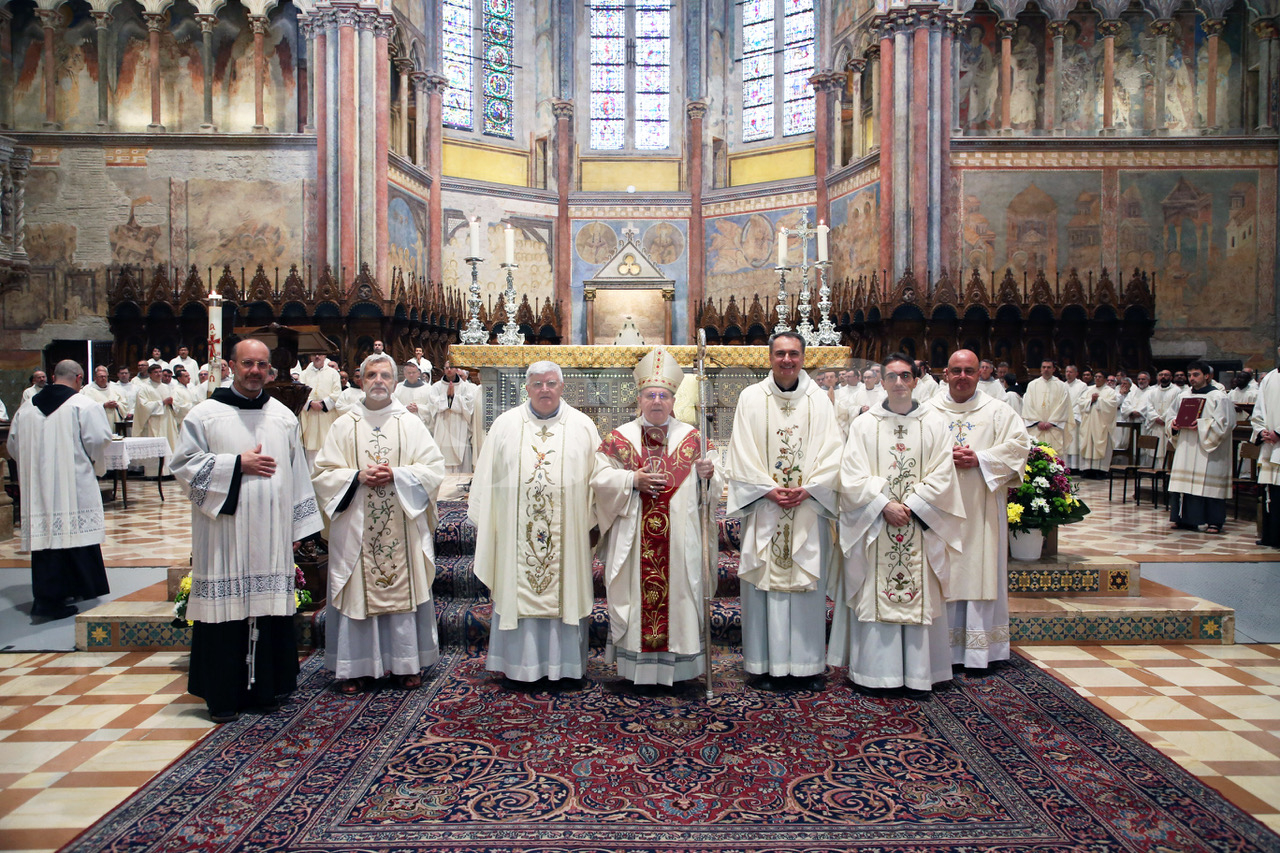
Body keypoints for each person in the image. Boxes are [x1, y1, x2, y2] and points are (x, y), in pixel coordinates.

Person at [170, 339, 324, 723]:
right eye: (247, 363)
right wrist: (236, 464)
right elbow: (184, 466)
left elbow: (298, 473)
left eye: (261, 365)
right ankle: (223, 695)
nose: (254, 371)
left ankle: (266, 690)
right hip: (224, 532)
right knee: (225, 613)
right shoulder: (205, 414)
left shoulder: (283, 417)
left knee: (268, 610)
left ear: (270, 370)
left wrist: (299, 527)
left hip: (271, 532)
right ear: (231, 366)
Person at [313, 353, 446, 693]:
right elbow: (323, 474)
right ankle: (355, 666)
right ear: (360, 380)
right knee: (357, 591)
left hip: (401, 524)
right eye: (372, 375)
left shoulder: (409, 424)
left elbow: (433, 469)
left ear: (395, 382)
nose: (378, 381)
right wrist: (356, 476)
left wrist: (397, 475)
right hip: (356, 526)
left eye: (385, 375)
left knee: (402, 587)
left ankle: (405, 663)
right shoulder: (344, 424)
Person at [832, 352, 963, 692]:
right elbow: (851, 475)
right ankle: (877, 675)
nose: (899, 382)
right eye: (891, 376)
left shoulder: (934, 423)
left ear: (916, 380)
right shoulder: (864, 424)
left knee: (921, 591)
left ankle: (919, 675)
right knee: (875, 590)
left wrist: (912, 505)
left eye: (905, 375)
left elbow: (943, 474)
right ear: (882, 381)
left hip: (920, 523)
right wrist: (883, 505)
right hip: (877, 525)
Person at [592, 346, 721, 686]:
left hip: (679, 544)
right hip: (634, 541)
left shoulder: (693, 438)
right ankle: (638, 669)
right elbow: (599, 480)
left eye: (663, 395)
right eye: (650, 395)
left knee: (680, 599)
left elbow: (714, 486)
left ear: (673, 400)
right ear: (639, 399)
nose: (657, 401)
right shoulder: (619, 439)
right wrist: (631, 480)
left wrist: (709, 475)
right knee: (637, 604)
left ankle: (681, 669)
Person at [469, 361, 602, 684]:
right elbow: (486, 480)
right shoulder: (505, 425)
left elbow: (599, 480)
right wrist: (491, 525)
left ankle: (565, 668)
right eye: (538, 384)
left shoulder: (582, 426)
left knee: (565, 592)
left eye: (551, 383)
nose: (545, 389)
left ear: (562, 387)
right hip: (515, 537)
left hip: (568, 538)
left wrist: (594, 522)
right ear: (526, 388)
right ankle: (519, 667)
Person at [724, 331, 842, 689]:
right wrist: (767, 489)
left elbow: (834, 450)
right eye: (780, 354)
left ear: (803, 357)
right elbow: (740, 449)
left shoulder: (819, 400)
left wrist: (809, 488)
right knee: (765, 587)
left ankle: (806, 667)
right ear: (770, 358)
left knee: (805, 589)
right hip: (765, 507)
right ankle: (763, 666)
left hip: (806, 507)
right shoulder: (751, 398)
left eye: (793, 353)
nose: (787, 360)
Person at [927, 349, 1031, 669]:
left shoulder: (998, 411)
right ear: (945, 374)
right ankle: (940, 649)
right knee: (941, 571)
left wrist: (980, 459)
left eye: (969, 371)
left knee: (979, 566)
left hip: (982, 506)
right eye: (956, 370)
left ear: (980, 374)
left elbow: (1019, 447)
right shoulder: (927, 411)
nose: (962, 377)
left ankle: (977, 651)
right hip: (938, 508)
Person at [8, 360, 113, 621]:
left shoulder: (26, 408)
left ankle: (61, 592)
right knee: (73, 534)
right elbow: (98, 440)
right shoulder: (84, 405)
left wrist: (34, 468)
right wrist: (94, 464)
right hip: (73, 481)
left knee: (47, 540)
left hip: (38, 486)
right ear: (79, 378)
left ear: (53, 377)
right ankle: (54, 600)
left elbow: (13, 445)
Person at [1165, 360, 1234, 534]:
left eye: (1196, 375)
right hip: (1186, 445)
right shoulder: (1183, 396)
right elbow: (1170, 416)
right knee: (1185, 483)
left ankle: (1214, 521)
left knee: (1210, 485)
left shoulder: (1219, 397)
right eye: (1189, 375)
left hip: (1209, 450)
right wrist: (1173, 425)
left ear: (1207, 376)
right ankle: (1185, 520)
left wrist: (1202, 425)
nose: (1192, 378)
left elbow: (1226, 424)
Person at [134, 362, 188, 474]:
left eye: (160, 372)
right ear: (150, 374)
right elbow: (143, 406)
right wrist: (162, 403)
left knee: (171, 443)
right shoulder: (144, 388)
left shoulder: (167, 387)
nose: (158, 374)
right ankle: (154, 473)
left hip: (167, 420)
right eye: (155, 372)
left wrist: (172, 404)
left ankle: (169, 471)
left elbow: (175, 403)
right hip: (153, 421)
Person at [424, 361, 478, 473]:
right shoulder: (436, 387)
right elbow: (432, 405)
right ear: (444, 369)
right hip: (442, 425)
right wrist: (447, 397)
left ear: (456, 369)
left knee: (461, 453)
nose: (449, 370)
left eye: (451, 367)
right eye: (446, 368)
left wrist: (454, 397)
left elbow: (469, 404)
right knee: (442, 454)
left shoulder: (465, 387)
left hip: (460, 425)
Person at [1251, 347, 1280, 546]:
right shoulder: (1270, 378)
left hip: (1277, 439)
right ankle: (1271, 536)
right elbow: (1258, 410)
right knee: (1272, 494)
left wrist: (1278, 432)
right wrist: (1262, 431)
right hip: (1270, 445)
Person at [1021, 359, 1073, 454]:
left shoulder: (1061, 386)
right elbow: (1028, 405)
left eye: (1049, 367)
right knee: (1037, 455)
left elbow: (1064, 405)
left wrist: (1052, 422)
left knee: (1054, 456)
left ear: (1053, 369)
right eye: (1044, 367)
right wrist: (1037, 422)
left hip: (1054, 428)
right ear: (1040, 369)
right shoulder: (1032, 385)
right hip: (1036, 428)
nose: (1046, 369)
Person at [299, 352, 341, 469]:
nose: (317, 357)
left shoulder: (333, 373)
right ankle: (310, 477)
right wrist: (310, 403)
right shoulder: (304, 374)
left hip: (327, 416)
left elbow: (337, 393)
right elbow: (299, 393)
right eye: (314, 354)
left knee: (327, 447)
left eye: (320, 354)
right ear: (310, 356)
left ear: (324, 356)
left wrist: (323, 404)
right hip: (310, 416)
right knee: (311, 450)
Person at [1076, 369, 1120, 477]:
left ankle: (1100, 470)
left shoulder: (1110, 391)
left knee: (1100, 445)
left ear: (1105, 379)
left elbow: (1112, 405)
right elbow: (1080, 403)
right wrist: (1090, 400)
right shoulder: (1088, 390)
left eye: (1100, 377)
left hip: (1102, 424)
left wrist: (1099, 400)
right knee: (1088, 444)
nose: (1097, 379)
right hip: (1089, 423)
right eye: (1096, 377)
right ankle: (1087, 469)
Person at [836, 367, 886, 437]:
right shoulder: (857, 394)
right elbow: (849, 408)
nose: (866, 380)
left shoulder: (882, 395)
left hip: (876, 427)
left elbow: (885, 411)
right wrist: (860, 409)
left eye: (869, 377)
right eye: (865, 378)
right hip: (860, 426)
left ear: (875, 379)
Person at [80, 365, 126, 431]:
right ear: (95, 378)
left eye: (105, 376)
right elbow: (86, 406)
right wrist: (104, 405)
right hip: (97, 422)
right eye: (101, 377)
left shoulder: (115, 388)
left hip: (114, 420)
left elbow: (124, 403)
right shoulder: (88, 390)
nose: (103, 378)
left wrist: (117, 404)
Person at [1062, 364, 1087, 469]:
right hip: (1064, 418)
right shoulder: (1062, 385)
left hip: (1075, 418)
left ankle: (1075, 466)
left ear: (1076, 373)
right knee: (1066, 444)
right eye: (1067, 372)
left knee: (1074, 443)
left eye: (1071, 372)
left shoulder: (1082, 386)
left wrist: (1072, 414)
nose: (1068, 374)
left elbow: (1082, 401)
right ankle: (1065, 465)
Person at [395, 362, 433, 427]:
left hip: (422, 425)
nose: (411, 375)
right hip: (404, 423)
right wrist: (405, 408)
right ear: (405, 374)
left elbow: (432, 407)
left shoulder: (428, 388)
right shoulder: (398, 388)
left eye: (414, 372)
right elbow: (394, 405)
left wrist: (418, 408)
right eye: (409, 373)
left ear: (418, 373)